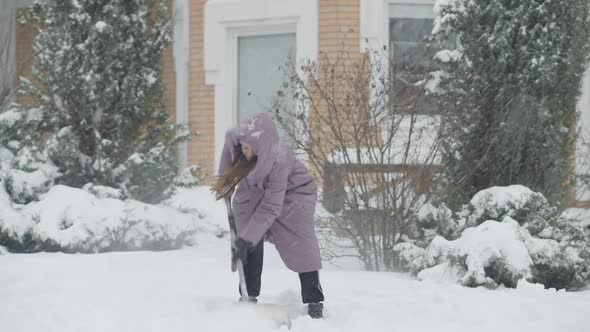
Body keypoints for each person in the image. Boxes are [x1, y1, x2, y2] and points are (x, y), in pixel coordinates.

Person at [211, 112, 324, 319]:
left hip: (294, 194)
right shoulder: (239, 144)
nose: (244, 152)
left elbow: (271, 206)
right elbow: (228, 159)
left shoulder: (279, 160)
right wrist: (225, 186)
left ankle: (314, 301)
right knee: (247, 233)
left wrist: (247, 238)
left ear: (260, 146)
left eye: (247, 148)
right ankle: (248, 295)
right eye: (242, 147)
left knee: (300, 243)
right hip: (256, 189)